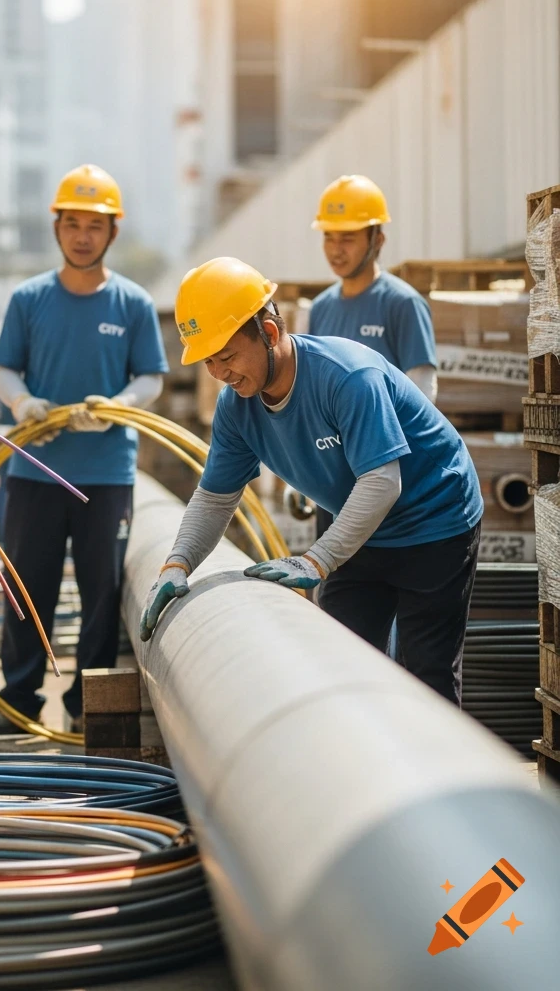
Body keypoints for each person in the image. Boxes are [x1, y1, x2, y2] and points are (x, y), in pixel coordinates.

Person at [140, 257, 482, 706]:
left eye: (226, 356)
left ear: (270, 333)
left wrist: (315, 561)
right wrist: (176, 564)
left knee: (425, 677)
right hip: (359, 529)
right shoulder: (237, 407)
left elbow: (382, 481)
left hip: (434, 521)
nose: (219, 373)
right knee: (340, 664)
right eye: (208, 362)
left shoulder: (347, 377)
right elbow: (215, 498)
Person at [0, 164, 168, 735]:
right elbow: (3, 367)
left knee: (100, 595)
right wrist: (23, 404)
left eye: (95, 225)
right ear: (56, 227)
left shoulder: (132, 303)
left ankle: (89, 707)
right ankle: (20, 701)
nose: (83, 235)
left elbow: (151, 379)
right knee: (27, 590)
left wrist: (112, 405)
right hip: (34, 470)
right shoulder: (30, 298)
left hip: (106, 474)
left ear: (113, 232)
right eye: (73, 223)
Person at [306, 174, 437, 543]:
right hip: (332, 482)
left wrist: (383, 462)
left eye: (347, 237)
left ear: (377, 239)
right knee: (328, 592)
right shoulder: (320, 309)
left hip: (384, 481)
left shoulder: (403, 304)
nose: (335, 248)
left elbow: (423, 391)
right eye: (329, 236)